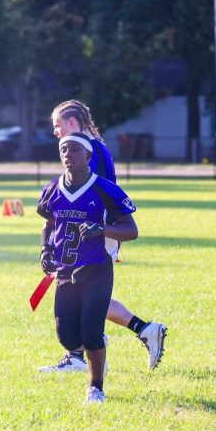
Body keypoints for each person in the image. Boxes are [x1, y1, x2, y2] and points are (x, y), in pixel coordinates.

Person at [39, 100, 166, 373]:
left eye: (58, 125)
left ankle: (85, 355)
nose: (56, 132)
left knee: (87, 294)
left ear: (72, 123)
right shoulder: (94, 146)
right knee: (86, 294)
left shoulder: (88, 150)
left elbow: (91, 193)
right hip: (94, 230)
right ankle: (137, 332)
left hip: (96, 231)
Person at [37, 133, 142, 404]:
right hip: (64, 271)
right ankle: (97, 348)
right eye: (63, 149)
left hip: (96, 269)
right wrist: (45, 250)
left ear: (88, 155)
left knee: (91, 332)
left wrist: (101, 229)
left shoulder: (104, 189)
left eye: (74, 149)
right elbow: (48, 224)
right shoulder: (53, 189)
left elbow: (131, 230)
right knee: (67, 336)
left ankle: (96, 387)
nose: (68, 154)